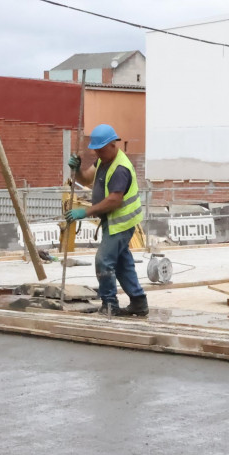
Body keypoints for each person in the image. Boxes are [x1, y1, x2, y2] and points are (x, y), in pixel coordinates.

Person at [66, 124, 148, 316]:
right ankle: (139, 303)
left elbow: (114, 200)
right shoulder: (104, 161)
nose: (98, 154)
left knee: (103, 261)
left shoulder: (120, 168)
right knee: (122, 264)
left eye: (101, 150)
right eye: (96, 150)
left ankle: (109, 304)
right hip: (113, 222)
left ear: (113, 144)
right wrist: (77, 170)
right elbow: (86, 179)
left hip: (120, 223)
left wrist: (85, 212)